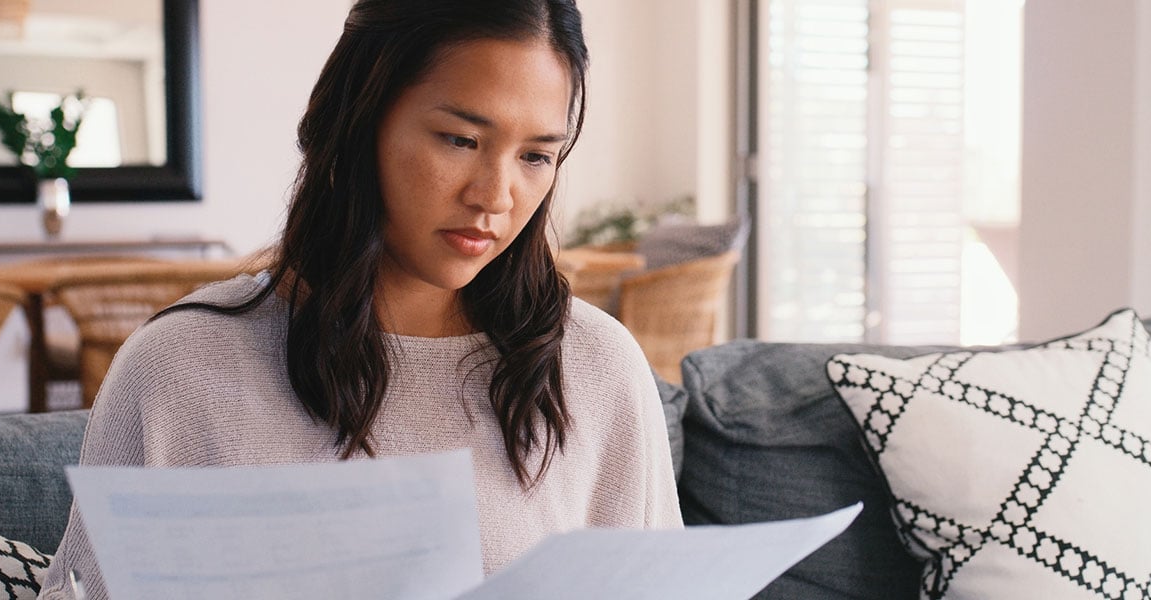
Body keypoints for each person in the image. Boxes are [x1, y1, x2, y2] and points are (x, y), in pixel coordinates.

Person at [38, 0, 680, 597]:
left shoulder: (596, 366)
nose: (496, 194)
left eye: (537, 155)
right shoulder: (179, 369)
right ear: (360, 119)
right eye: (460, 140)